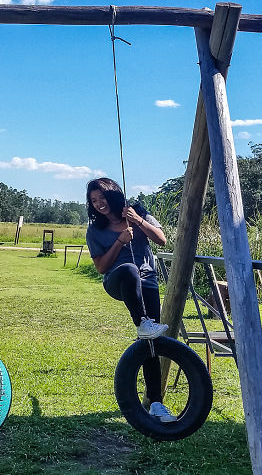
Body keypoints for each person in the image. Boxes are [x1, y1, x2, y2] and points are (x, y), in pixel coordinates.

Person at [85, 177, 176, 423]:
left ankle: (156, 403)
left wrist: (138, 221)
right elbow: (102, 267)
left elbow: (161, 239)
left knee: (151, 343)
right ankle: (142, 322)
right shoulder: (95, 230)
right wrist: (120, 241)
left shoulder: (138, 212)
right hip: (117, 280)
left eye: (102, 198)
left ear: (113, 194)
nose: (99, 204)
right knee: (129, 270)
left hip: (147, 281)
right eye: (93, 201)